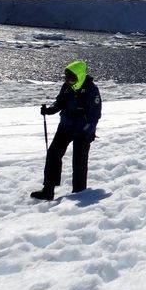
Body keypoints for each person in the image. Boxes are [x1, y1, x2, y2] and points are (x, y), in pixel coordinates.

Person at [31, 60, 102, 201]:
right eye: (66, 78)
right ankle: (48, 190)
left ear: (80, 76)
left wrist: (88, 132)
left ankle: (79, 192)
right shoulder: (66, 87)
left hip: (82, 131)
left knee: (79, 162)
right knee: (53, 154)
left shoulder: (91, 90)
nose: (68, 81)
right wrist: (49, 110)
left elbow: (95, 116)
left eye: (71, 78)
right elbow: (59, 102)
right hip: (65, 127)